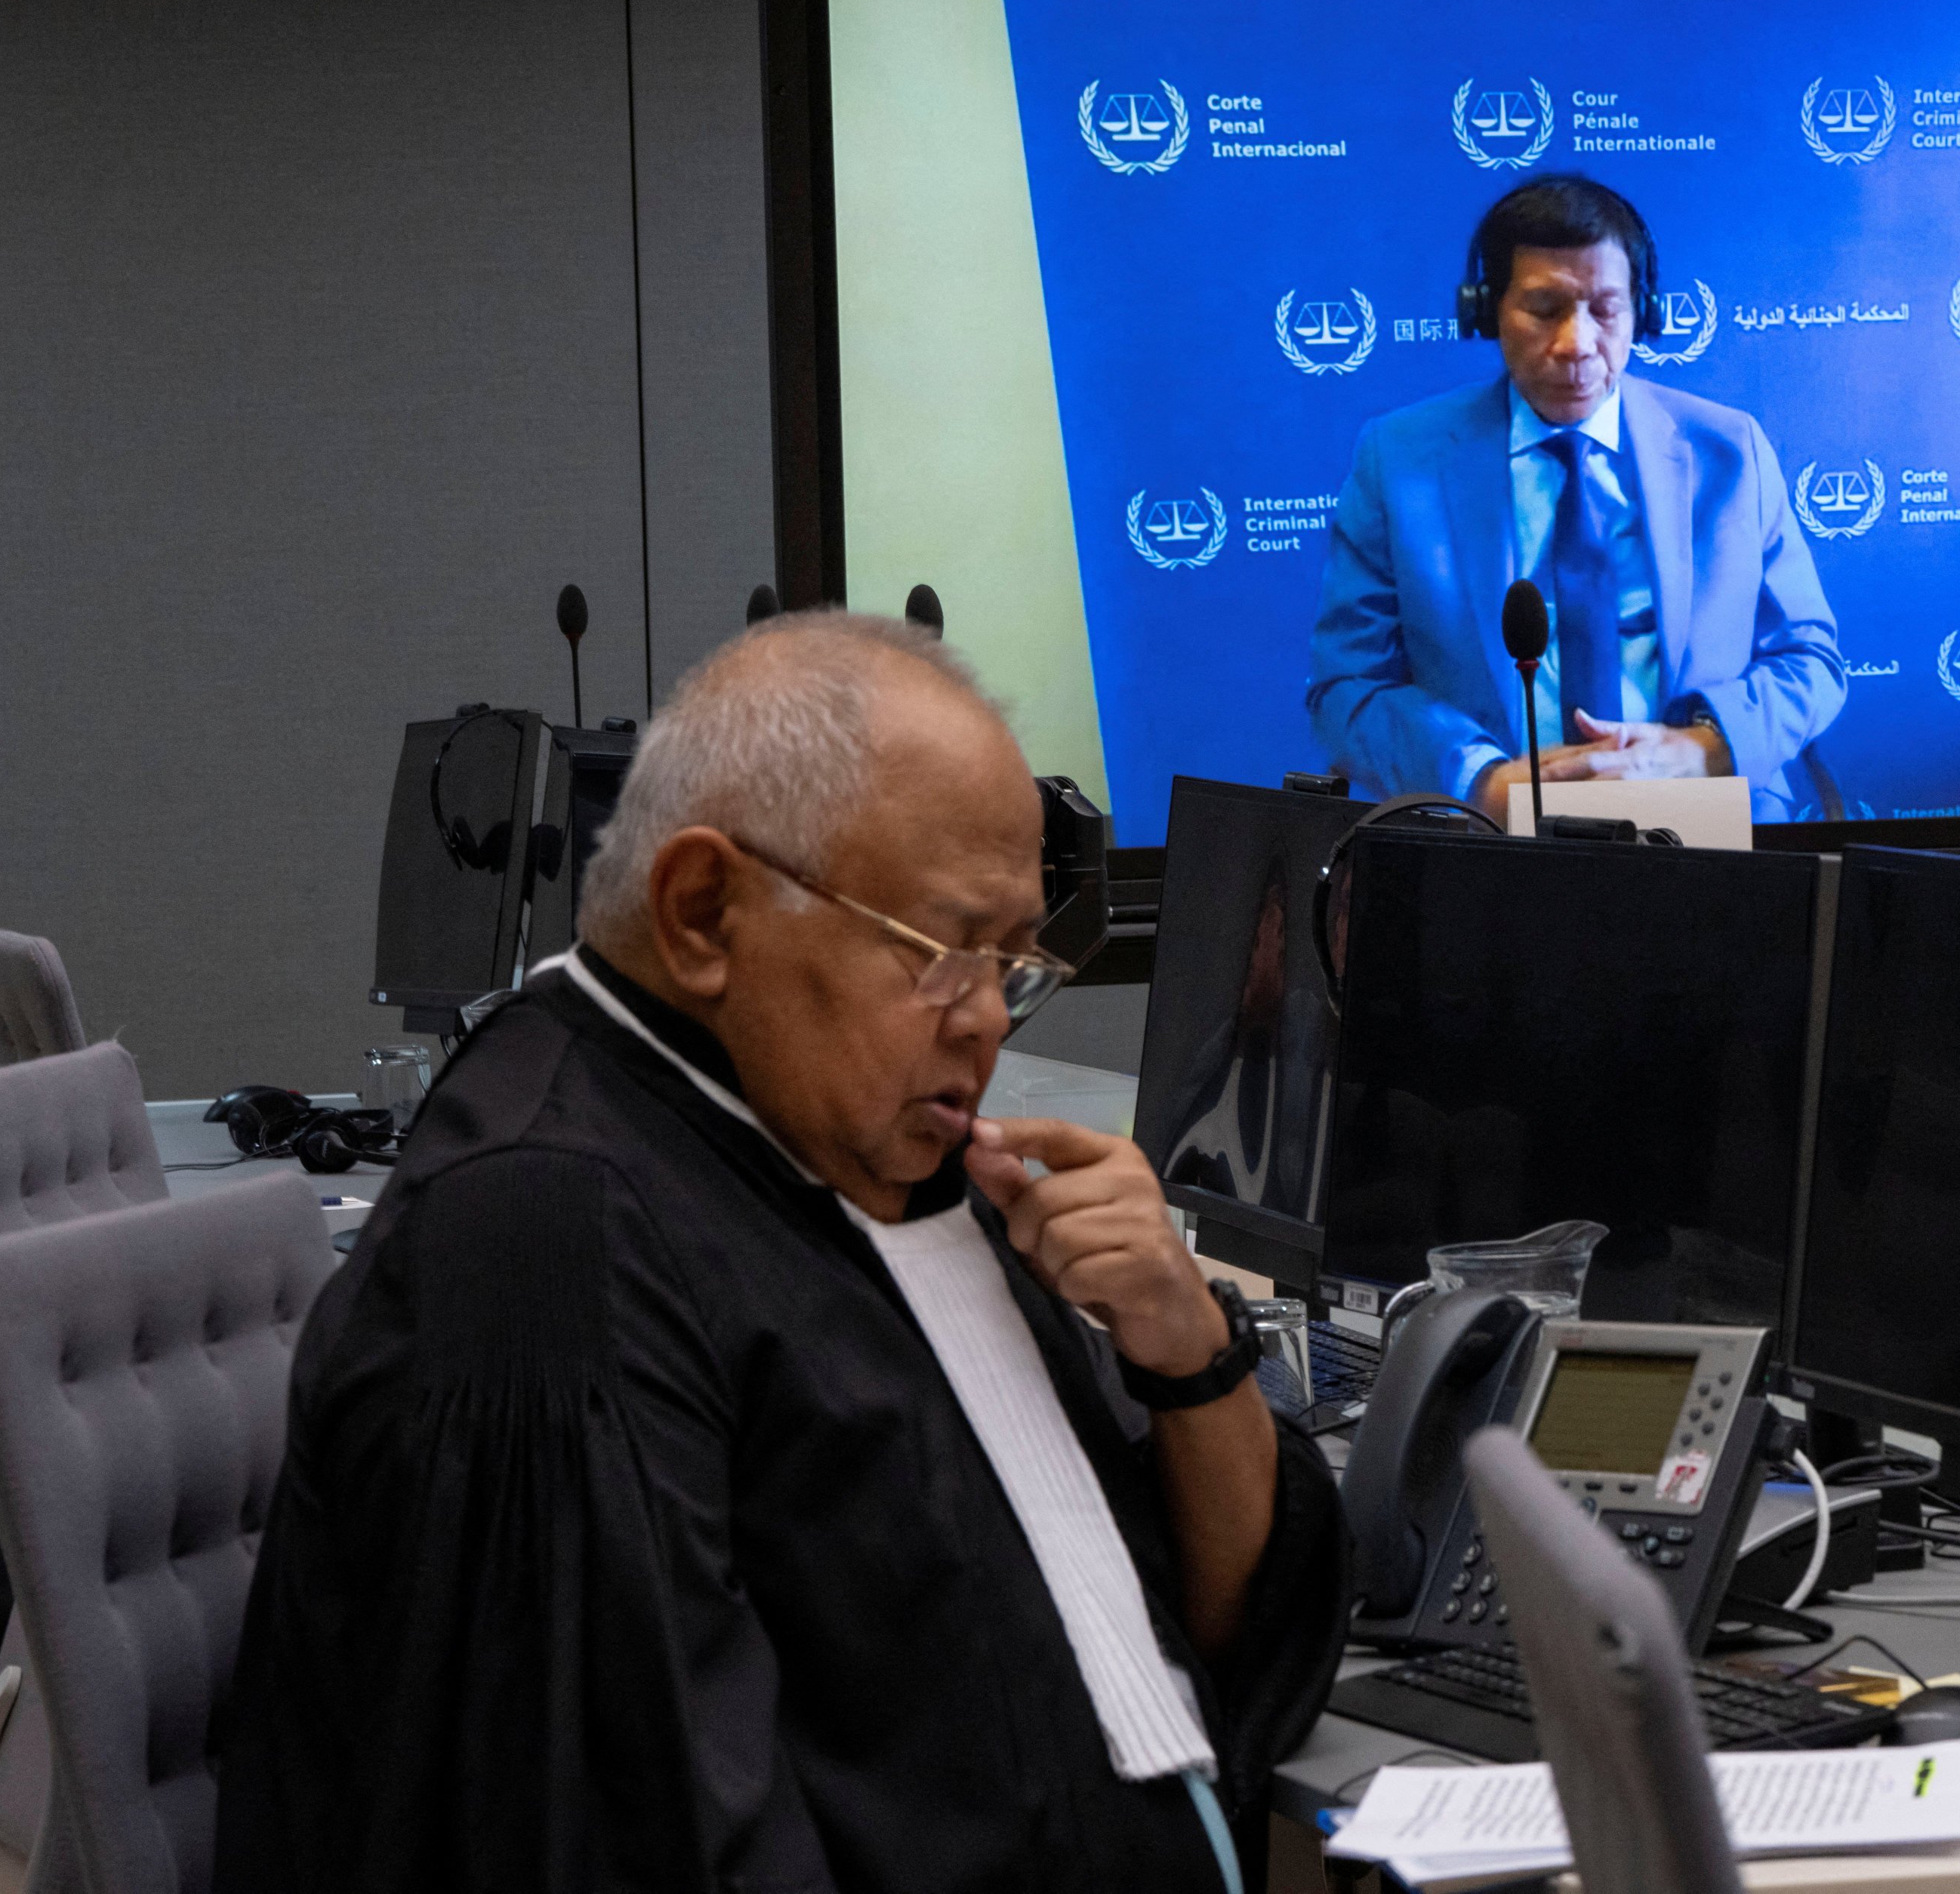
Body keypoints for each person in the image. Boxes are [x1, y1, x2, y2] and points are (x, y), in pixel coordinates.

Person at [217, 614, 1345, 1894]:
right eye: (939, 954)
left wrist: (1189, 1353)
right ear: (704, 912)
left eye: (1012, 960)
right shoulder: (549, 1241)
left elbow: (1207, 1632)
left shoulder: (874, 1142)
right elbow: (626, 1840)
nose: (984, 1019)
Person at [1305, 174, 1846, 821]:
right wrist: (1481, 783)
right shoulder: (1398, 460)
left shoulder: (1730, 453)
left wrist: (1701, 751)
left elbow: (1809, 661)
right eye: (1543, 310)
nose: (1576, 344)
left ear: (1642, 312)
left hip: (1706, 824)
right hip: (1490, 838)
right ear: (1486, 312)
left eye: (1605, 309)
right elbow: (1346, 686)